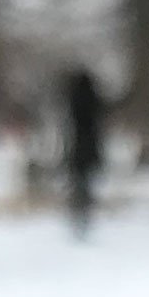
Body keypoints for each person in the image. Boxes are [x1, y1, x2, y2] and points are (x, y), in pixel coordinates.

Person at [64, 67, 105, 237]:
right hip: (90, 148)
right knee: (86, 184)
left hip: (76, 148)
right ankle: (84, 214)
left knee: (78, 183)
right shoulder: (94, 101)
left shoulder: (73, 101)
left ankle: (77, 213)